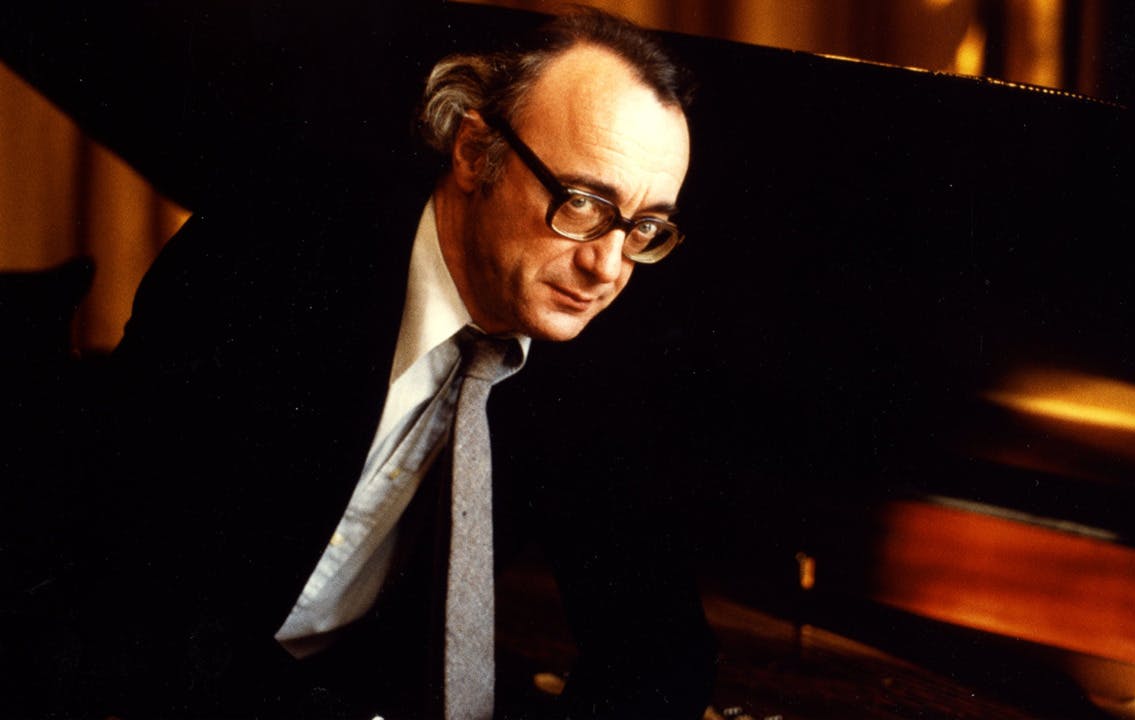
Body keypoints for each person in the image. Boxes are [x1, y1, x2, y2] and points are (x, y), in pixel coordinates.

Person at [1, 4, 716, 718]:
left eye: (645, 226)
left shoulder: (590, 345)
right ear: (473, 152)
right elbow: (141, 589)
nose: (607, 267)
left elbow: (660, 649)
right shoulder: (265, 259)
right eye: (583, 203)